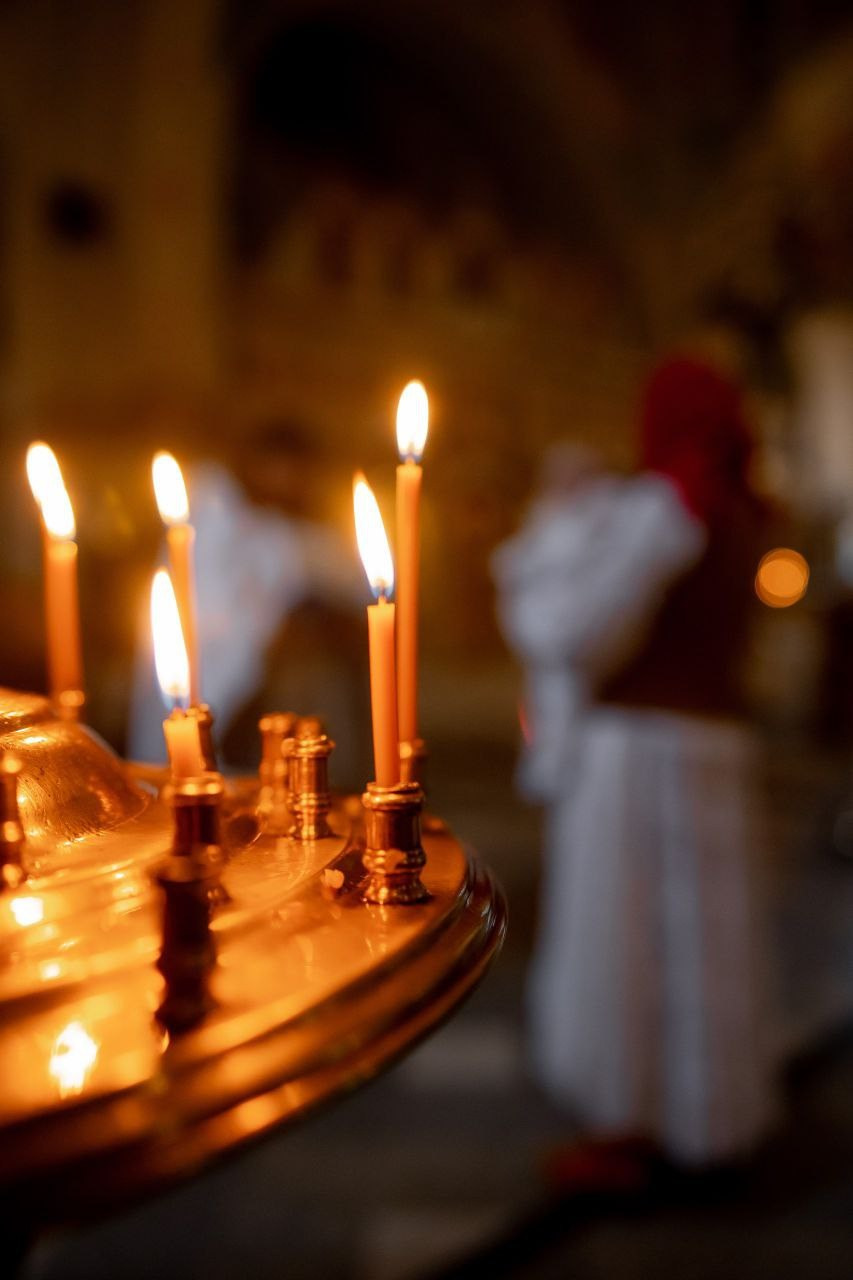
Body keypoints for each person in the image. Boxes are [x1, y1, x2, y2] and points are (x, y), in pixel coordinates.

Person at [493, 357, 776, 1178]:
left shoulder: (663, 507)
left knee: (628, 941)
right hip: (714, 749)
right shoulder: (735, 508)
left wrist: (557, 532)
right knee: (702, 945)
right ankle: (706, 1120)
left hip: (638, 760)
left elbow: (571, 632)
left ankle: (630, 1124)